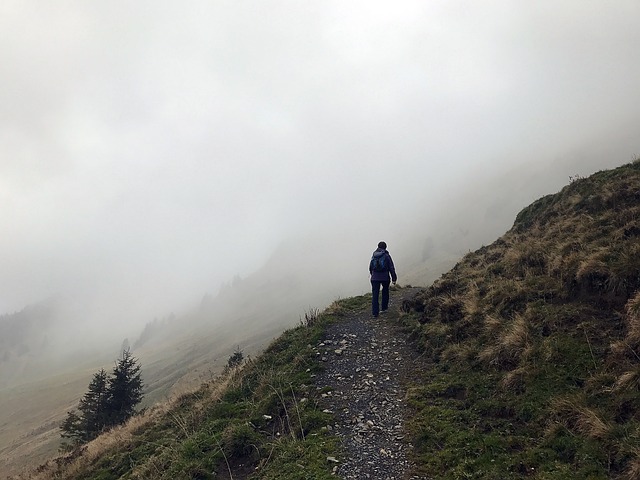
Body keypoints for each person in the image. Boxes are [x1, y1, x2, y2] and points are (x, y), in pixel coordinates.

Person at [369, 241, 397, 317]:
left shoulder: (374, 255)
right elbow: (391, 267)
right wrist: (394, 278)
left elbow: (370, 267)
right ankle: (384, 308)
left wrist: (373, 275)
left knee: (375, 295)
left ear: (378, 247)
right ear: (385, 247)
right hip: (385, 277)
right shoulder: (386, 256)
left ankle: (375, 313)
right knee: (385, 292)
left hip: (374, 278)